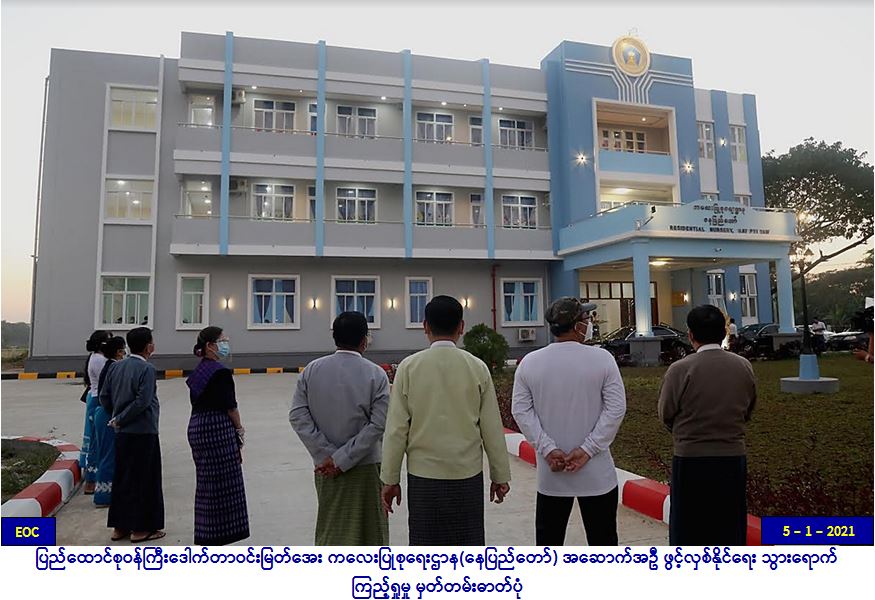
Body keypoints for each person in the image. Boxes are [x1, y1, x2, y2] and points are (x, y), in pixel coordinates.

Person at [380, 295, 511, 545]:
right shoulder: (477, 367)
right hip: (467, 476)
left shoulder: (408, 368)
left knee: (425, 547)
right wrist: (500, 475)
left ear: (425, 326)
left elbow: (396, 430)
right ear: (461, 327)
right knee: (468, 547)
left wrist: (390, 478)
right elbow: (492, 429)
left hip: (423, 478)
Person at [512, 297, 627, 546]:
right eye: (587, 318)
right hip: (597, 474)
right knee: (604, 542)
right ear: (577, 326)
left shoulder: (530, 362)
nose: (590, 323)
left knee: (549, 543)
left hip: (552, 474)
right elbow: (616, 408)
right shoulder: (602, 359)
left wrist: (547, 448)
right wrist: (588, 449)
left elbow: (520, 411)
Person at [658, 305, 756, 545]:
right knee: (730, 526)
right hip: (732, 458)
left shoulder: (680, 369)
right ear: (724, 332)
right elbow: (749, 408)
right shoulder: (743, 366)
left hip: (690, 459)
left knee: (689, 528)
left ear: (690, 335)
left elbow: (666, 413)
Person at [290, 312, 390, 545]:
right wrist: (342, 459)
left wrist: (328, 456)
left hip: (325, 467)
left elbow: (298, 415)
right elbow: (378, 424)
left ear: (334, 337)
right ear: (364, 340)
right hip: (365, 465)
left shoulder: (311, 370)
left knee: (332, 530)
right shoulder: (376, 374)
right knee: (370, 534)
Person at [186, 326, 250, 546]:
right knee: (225, 485)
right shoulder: (220, 372)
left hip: (197, 427)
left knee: (207, 484)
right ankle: (222, 533)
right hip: (217, 430)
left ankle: (206, 532)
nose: (226, 344)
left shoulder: (200, 370)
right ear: (210, 346)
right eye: (222, 340)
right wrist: (239, 430)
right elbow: (230, 407)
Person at [103, 327, 165, 543]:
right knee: (145, 480)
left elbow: (104, 396)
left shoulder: (115, 367)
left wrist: (116, 416)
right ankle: (141, 529)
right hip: (143, 431)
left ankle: (120, 526)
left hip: (122, 433)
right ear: (148, 347)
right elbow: (143, 401)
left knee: (124, 478)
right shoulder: (147, 369)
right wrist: (122, 418)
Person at [92, 336, 126, 507]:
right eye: (123, 349)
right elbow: (108, 395)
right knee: (109, 455)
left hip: (103, 413)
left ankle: (105, 493)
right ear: (119, 352)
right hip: (107, 414)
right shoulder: (113, 367)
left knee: (105, 454)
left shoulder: (108, 366)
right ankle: (104, 496)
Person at [81, 330, 112, 495]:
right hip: (98, 399)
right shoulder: (100, 360)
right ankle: (91, 480)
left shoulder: (96, 357)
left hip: (96, 398)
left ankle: (92, 478)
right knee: (96, 440)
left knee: (97, 439)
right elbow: (107, 380)